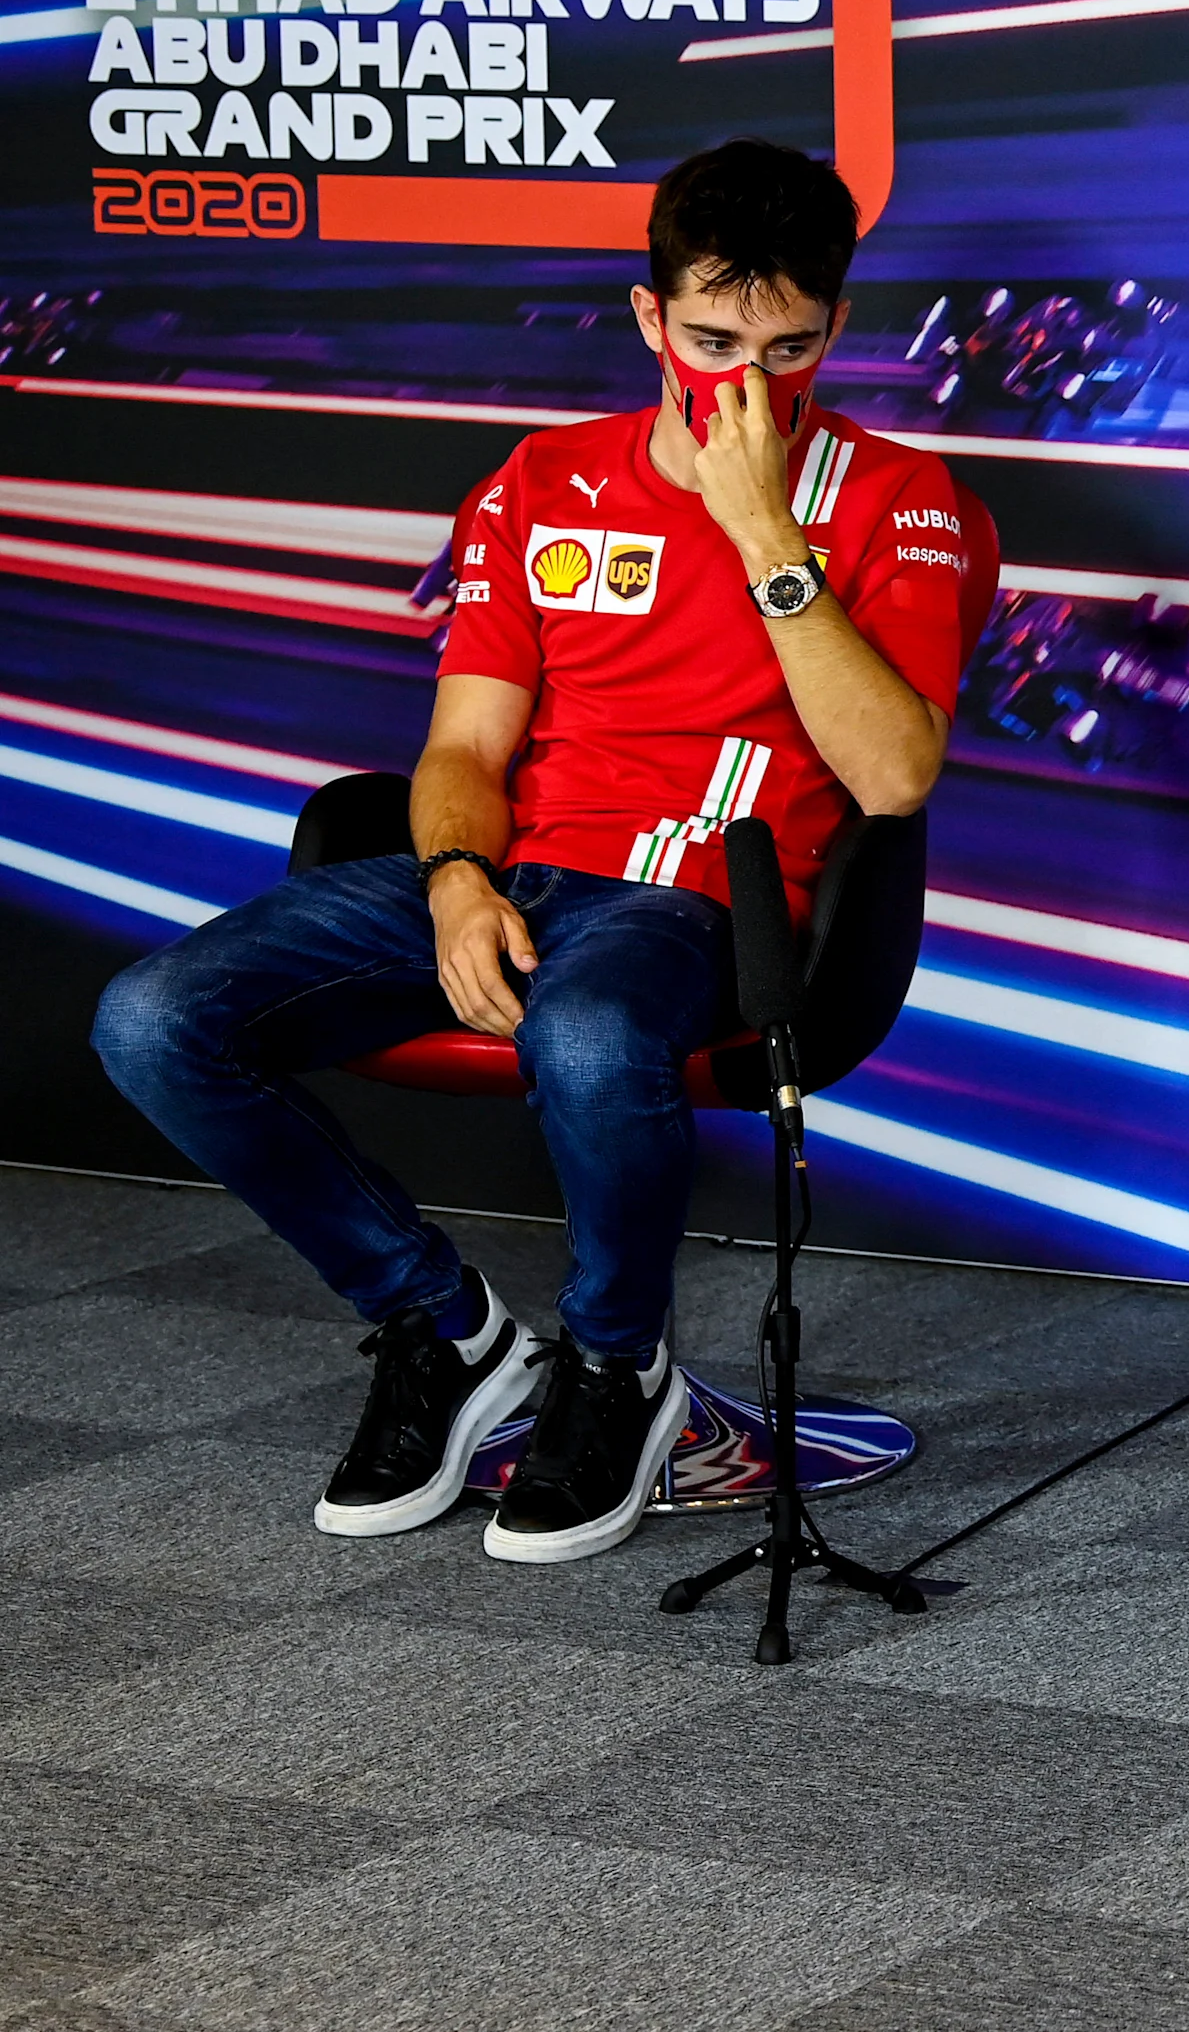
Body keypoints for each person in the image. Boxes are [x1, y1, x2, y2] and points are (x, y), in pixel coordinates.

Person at [94, 139, 983, 1565]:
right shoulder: (543, 480)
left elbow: (892, 771)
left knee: (585, 1033)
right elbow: (461, 751)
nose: (747, 380)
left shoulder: (903, 500)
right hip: (515, 875)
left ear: (838, 329)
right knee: (152, 1018)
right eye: (709, 341)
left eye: (789, 344)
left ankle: (620, 1371)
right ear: (648, 320)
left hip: (700, 894)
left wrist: (761, 522)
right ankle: (447, 1333)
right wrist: (452, 879)